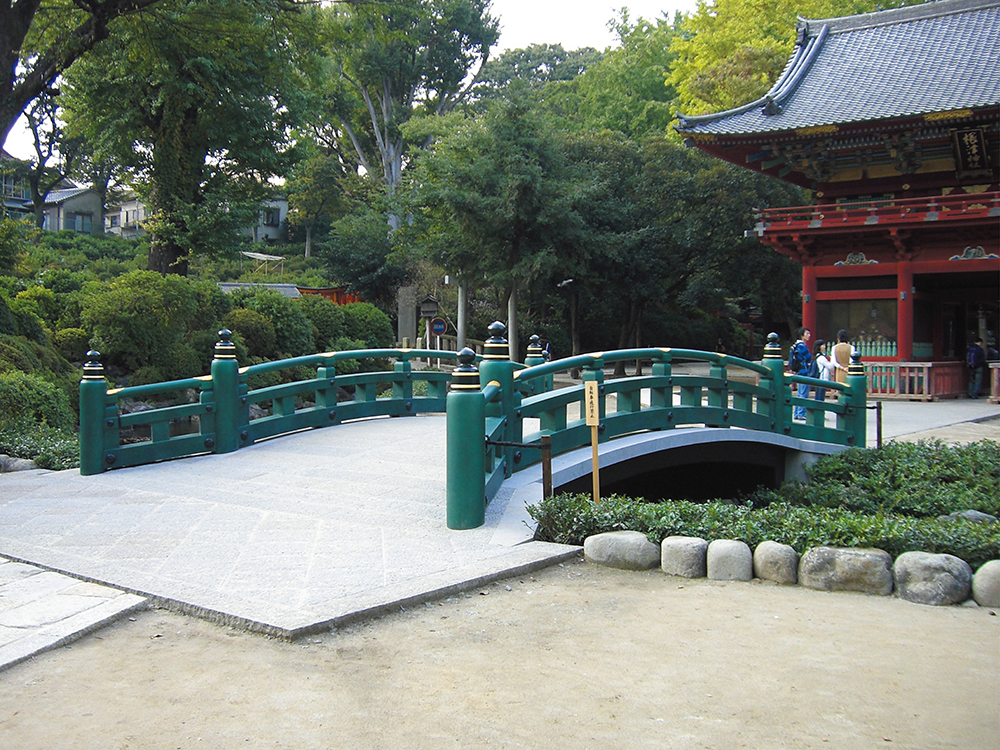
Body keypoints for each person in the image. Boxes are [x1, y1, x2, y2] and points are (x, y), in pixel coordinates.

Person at [788, 327, 813, 420]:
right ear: (802, 335)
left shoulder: (796, 345)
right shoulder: (802, 346)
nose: (809, 336)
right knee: (803, 393)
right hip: (803, 371)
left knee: (800, 392)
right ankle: (801, 413)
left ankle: (797, 413)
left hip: (798, 370)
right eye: (807, 334)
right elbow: (808, 356)